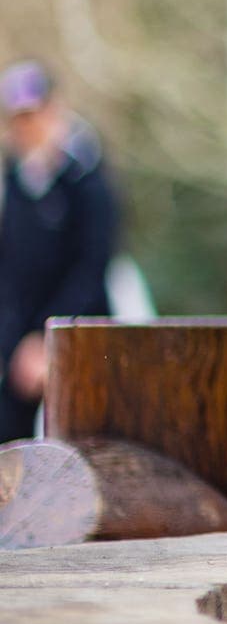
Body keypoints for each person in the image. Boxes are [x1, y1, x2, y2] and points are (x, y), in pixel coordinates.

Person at [0, 60, 118, 444]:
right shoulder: (15, 180)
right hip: (18, 349)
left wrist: (47, 337)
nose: (25, 128)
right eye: (17, 119)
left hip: (78, 338)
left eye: (32, 116)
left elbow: (92, 267)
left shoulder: (87, 180)